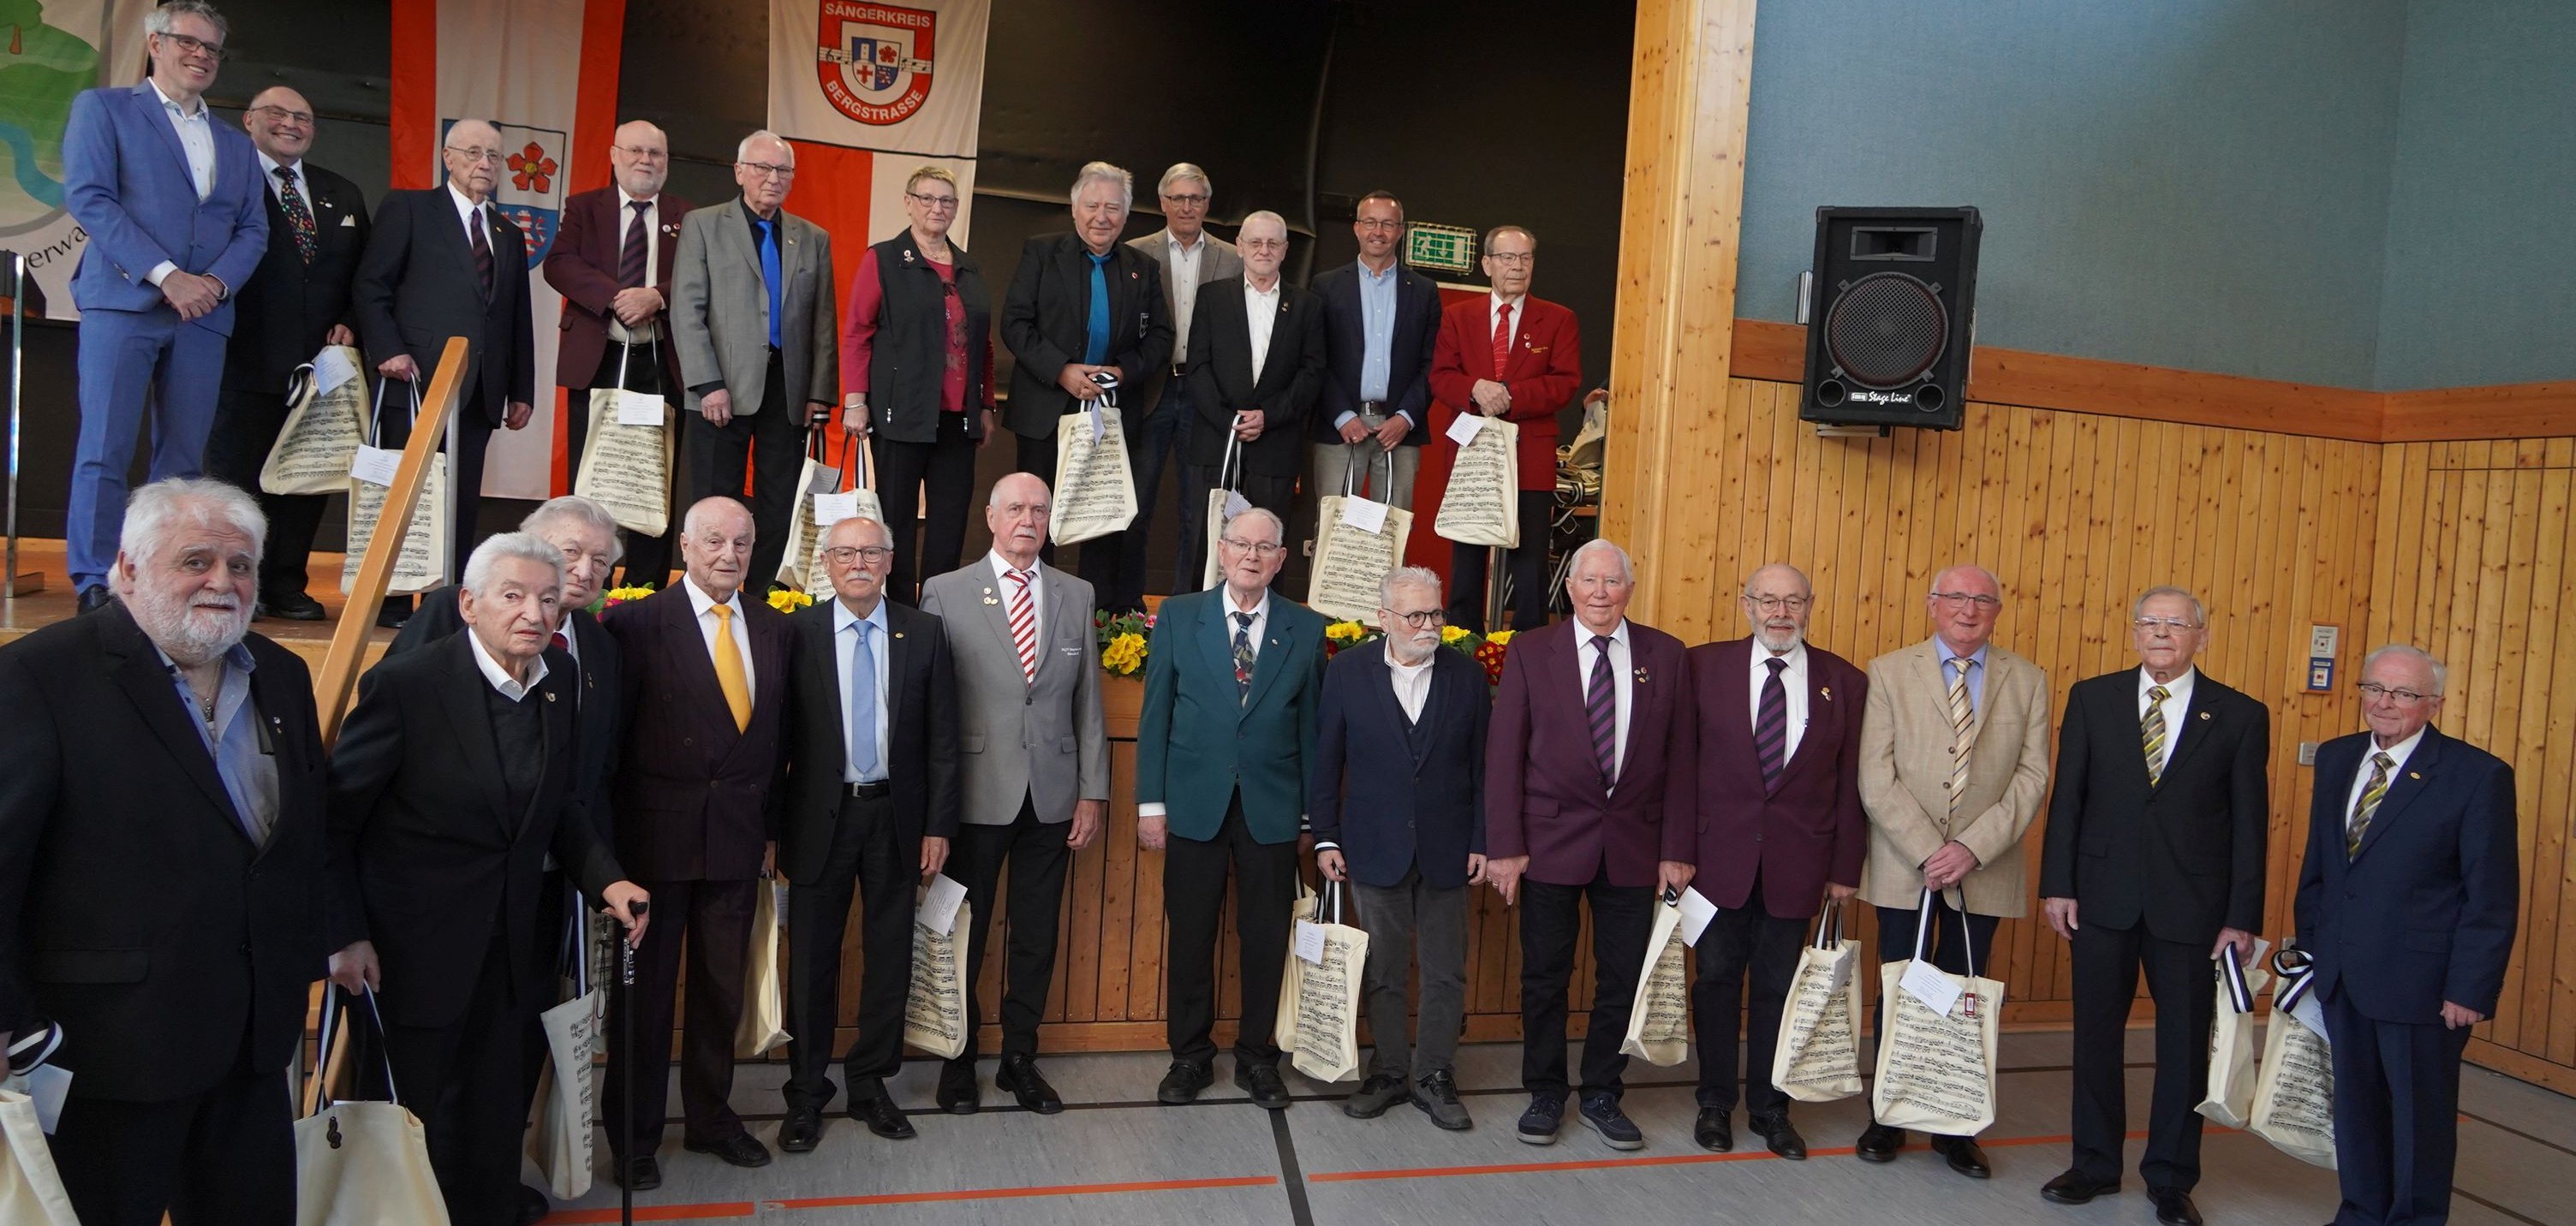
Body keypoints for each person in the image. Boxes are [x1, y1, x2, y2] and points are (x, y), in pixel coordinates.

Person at [0, 479, 325, 1226]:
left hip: (252, 1044)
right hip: (108, 1054)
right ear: (129, 568)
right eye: (197, 561)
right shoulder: (40, 678)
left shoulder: (281, 675)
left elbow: (301, 838)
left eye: (241, 565)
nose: (223, 582)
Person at [325, 533, 649, 1226]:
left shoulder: (557, 683)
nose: (533, 612)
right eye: (512, 596)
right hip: (411, 947)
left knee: (494, 1099)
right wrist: (346, 934)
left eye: (546, 598)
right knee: (413, 1106)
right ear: (468, 604)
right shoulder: (408, 686)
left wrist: (608, 880)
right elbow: (335, 823)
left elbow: (559, 805)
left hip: (514, 940)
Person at [2037, 587, 2269, 1226]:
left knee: (2184, 1046)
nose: (2162, 633)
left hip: (2193, 908)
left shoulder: (2241, 715)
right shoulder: (2093, 697)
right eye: (2151, 623)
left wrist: (2241, 916)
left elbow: (2251, 825)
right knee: (2095, 1040)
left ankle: (2170, 1178)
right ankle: (2093, 1166)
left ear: (2202, 635)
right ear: (2135, 632)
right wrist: (2058, 884)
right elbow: (2069, 802)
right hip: (2101, 899)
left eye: (2176, 624)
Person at [599, 497, 796, 1187]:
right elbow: (609, 749)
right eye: (714, 540)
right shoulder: (631, 626)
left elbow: (780, 742)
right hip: (652, 849)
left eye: (741, 542)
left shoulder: (775, 630)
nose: (728, 555)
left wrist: (772, 832)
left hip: (738, 847)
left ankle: (712, 1120)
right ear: (684, 545)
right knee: (645, 1001)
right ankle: (633, 1139)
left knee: (720, 995)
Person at [1483, 539, 1696, 1150]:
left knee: (1622, 977)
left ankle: (1603, 1090)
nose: (1601, 592)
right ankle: (1545, 1092)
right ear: (1569, 589)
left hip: (1635, 847)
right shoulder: (1531, 651)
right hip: (1548, 843)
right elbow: (1504, 756)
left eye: (1613, 581)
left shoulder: (1667, 654)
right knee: (1544, 976)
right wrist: (1505, 846)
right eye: (1589, 581)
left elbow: (1683, 760)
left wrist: (1676, 847)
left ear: (1630, 589)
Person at [2296, 646, 2517, 1226]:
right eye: (2375, 689)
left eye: (2403, 693)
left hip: (2423, 982)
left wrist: (2469, 987)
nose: (2385, 703)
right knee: (2357, 1112)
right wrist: (2311, 954)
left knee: (2419, 1120)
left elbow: (2490, 895)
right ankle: (2361, 1212)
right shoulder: (2340, 757)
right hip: (2342, 972)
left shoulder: (2477, 776)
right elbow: (2322, 865)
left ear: (2435, 703)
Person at [60, 2, 269, 614]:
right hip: (125, 303)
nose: (201, 55)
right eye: (189, 42)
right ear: (155, 43)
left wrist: (212, 286)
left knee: (182, 465)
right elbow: (91, 199)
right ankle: (97, 580)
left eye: (212, 49)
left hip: (204, 317)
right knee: (105, 449)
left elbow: (252, 230)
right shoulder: (104, 110)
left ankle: (165, 580)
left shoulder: (235, 142)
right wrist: (167, 276)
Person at [917, 473, 1109, 1114]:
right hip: (972, 799)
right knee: (962, 933)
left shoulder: (1075, 593)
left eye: (1039, 509)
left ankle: (1019, 1061)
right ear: (992, 517)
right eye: (1016, 508)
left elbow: (1089, 705)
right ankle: (957, 1060)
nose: (1028, 518)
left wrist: (1093, 793)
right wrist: (933, 806)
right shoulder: (944, 592)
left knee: (1035, 935)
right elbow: (932, 707)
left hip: (1053, 800)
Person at [1853, 563, 2051, 1178]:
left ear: (1998, 610)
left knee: (1965, 996)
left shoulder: (2030, 679)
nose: (1968, 610)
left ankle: (1953, 1124)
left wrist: (1970, 847)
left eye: (1982, 601)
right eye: (1956, 598)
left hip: (1985, 867)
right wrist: (1926, 849)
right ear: (1933, 604)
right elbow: (1874, 775)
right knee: (1900, 990)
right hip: (1902, 863)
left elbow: (2033, 775)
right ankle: (1886, 1114)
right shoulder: (1889, 671)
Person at [778, 515, 960, 1151]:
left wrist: (938, 824)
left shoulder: (925, 632)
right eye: (846, 553)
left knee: (890, 957)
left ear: (888, 561)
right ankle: (805, 1093)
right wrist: (773, 831)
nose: (858, 563)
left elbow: (943, 740)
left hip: (897, 820)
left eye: (871, 553)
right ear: (824, 562)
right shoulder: (795, 632)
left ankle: (870, 1084)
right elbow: (778, 743)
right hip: (815, 821)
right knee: (811, 960)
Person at [1137, 506, 1327, 1110]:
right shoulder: (1178, 616)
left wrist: (1308, 819)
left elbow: (1313, 733)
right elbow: (1155, 718)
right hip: (1193, 806)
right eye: (1241, 544)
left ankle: (1257, 1058)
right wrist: (1150, 804)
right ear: (1221, 552)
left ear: (1279, 559)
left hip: (1272, 812)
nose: (1251, 555)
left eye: (1264, 547)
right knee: (1191, 936)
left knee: (1267, 938)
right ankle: (1189, 1058)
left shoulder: (1306, 628)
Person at [1684, 563, 1868, 1159]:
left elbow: (1849, 786)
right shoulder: (1703, 667)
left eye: (1792, 601)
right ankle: (1714, 1103)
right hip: (1714, 863)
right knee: (1713, 982)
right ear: (1747, 605)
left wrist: (1845, 869)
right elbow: (1679, 770)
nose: (1780, 613)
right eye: (1768, 601)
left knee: (1778, 988)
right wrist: (1675, 853)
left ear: (1811, 606)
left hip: (1800, 865)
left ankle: (1769, 1108)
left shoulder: (1844, 682)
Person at [1311, 566, 1488, 1130]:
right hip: (1370, 846)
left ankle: (1435, 1074)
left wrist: (1484, 840)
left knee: (1444, 973)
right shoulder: (1346, 673)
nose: (1429, 624)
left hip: (1449, 849)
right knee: (1383, 969)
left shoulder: (1467, 676)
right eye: (1415, 615)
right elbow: (1325, 761)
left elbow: (1485, 769)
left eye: (1435, 613)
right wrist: (1327, 836)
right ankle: (1388, 1070)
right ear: (1383, 618)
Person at [350, 117, 538, 624]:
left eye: (494, 156)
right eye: (473, 153)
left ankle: (445, 601)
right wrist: (386, 349)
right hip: (411, 379)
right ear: (448, 158)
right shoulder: (409, 209)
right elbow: (371, 286)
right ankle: (388, 600)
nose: (485, 164)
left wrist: (522, 389)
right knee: (404, 491)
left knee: (459, 500)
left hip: (480, 388)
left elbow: (517, 316)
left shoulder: (506, 232)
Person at [200, 86, 368, 622]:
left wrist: (353, 323)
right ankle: (225, 587)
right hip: (240, 360)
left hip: (320, 371)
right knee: (235, 484)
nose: (292, 123)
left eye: (304, 116)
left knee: (305, 480)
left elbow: (366, 277)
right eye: (278, 113)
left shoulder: (340, 192)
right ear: (248, 120)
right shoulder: (222, 184)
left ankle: (286, 584)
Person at [671, 131, 838, 592]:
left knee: (779, 503)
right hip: (719, 390)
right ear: (739, 171)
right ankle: (705, 595)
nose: (773, 178)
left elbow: (823, 323)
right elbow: (687, 312)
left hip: (788, 393)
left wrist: (820, 395)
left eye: (783, 170)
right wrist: (707, 384)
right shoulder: (703, 225)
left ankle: (763, 600)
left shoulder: (813, 238)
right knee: (712, 501)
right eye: (763, 168)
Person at [998, 161, 1171, 598]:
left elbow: (1162, 337)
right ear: (1075, 209)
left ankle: (1095, 619)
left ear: (1126, 216)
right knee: (1035, 516)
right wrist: (1061, 370)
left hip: (1110, 415)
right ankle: (1030, 610)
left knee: (1103, 523)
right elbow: (1015, 324)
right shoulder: (1041, 252)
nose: (1102, 216)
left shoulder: (1143, 268)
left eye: (1113, 207)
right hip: (1044, 408)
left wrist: (1125, 371)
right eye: (1092, 205)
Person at [544, 119, 695, 587]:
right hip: (599, 359)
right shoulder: (584, 208)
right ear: (613, 155)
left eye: (656, 154)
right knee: (595, 476)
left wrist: (657, 296)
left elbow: (701, 276)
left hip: (660, 362)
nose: (645, 161)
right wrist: (617, 296)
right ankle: (585, 586)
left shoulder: (688, 217)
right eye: (636, 151)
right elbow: (560, 264)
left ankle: (645, 589)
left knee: (653, 478)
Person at [838, 165, 995, 605]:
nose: (936, 208)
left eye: (946, 200)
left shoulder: (969, 267)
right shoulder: (884, 259)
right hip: (900, 412)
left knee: (949, 522)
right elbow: (856, 332)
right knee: (897, 521)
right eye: (926, 198)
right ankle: (899, 610)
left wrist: (985, 407)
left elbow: (981, 345)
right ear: (908, 203)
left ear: (956, 208)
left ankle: (937, 612)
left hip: (957, 419)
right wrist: (855, 401)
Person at [1428, 225, 1580, 633]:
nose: (1517, 266)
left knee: (1529, 560)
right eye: (1507, 258)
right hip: (1472, 455)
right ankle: (1462, 642)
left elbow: (1565, 382)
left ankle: (1528, 651)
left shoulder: (1559, 319)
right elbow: (1440, 376)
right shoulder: (1457, 317)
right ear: (1486, 264)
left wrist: (1510, 394)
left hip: (1530, 454)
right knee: (1467, 557)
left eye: (1525, 258)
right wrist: (1474, 389)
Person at [1176, 211, 1326, 594]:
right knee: (1206, 541)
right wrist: (1229, 420)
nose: (1264, 250)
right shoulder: (1212, 297)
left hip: (1274, 445)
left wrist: (1268, 417)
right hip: (1215, 441)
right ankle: (1196, 626)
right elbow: (1199, 368)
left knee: (1266, 544)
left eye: (1273, 243)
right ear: (1240, 247)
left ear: (1286, 250)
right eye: (1255, 242)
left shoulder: (1307, 306)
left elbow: (1311, 374)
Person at [1124, 163, 1239, 598]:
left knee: (1201, 512)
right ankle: (1127, 607)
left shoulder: (1233, 257)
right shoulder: (1135, 252)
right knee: (1137, 504)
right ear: (1162, 203)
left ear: (1207, 204)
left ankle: (1191, 605)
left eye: (1195, 198)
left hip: (1207, 395)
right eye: (1177, 198)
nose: (1186, 206)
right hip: (1151, 389)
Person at [1309, 190, 1440, 521]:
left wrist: (1405, 418)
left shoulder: (1424, 291)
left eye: (1387, 224)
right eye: (1370, 222)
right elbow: (1314, 359)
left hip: (1399, 430)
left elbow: (1433, 363)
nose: (1377, 232)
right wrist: (1342, 415)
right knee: (1334, 534)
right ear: (1356, 228)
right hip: (1339, 427)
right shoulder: (1326, 286)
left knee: (1393, 534)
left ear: (1400, 231)